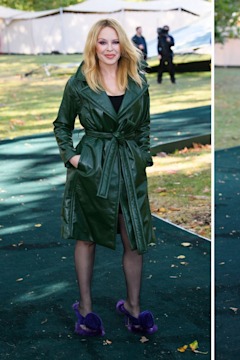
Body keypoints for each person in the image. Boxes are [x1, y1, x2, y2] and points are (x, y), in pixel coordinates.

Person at [53, 18, 158, 337]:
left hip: (128, 166)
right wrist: (72, 157)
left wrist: (141, 156)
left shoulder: (138, 81)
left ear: (123, 44)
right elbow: (62, 125)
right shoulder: (80, 83)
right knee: (86, 236)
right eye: (102, 42)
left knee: (134, 240)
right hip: (93, 166)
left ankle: (134, 308)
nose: (109, 48)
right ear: (93, 46)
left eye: (115, 42)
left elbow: (143, 128)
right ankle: (85, 310)